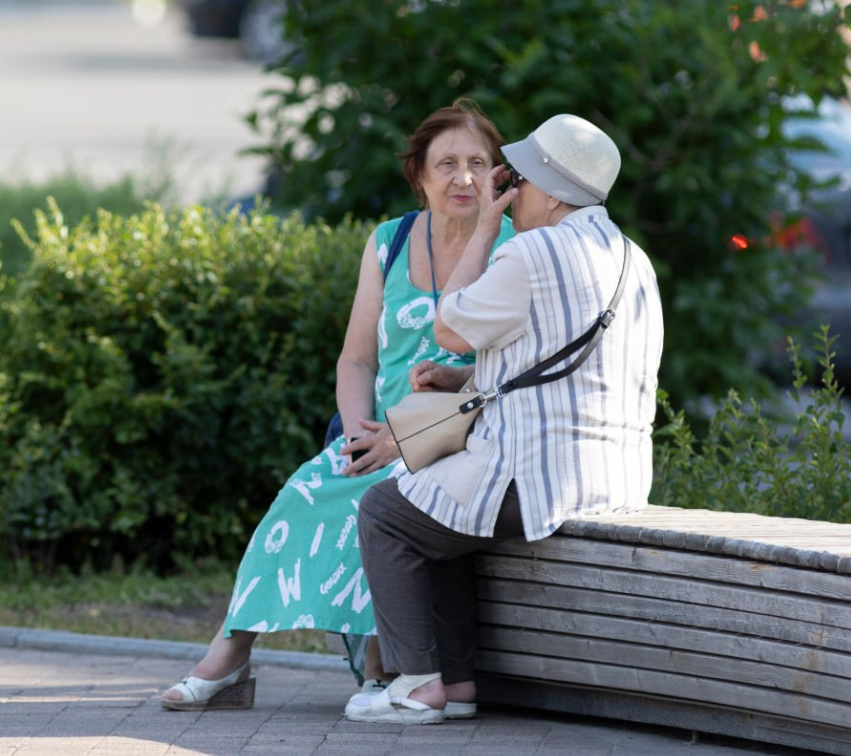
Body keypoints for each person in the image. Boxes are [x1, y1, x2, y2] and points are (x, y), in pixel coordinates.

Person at [159, 99, 517, 711]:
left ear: (497, 177)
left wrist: (401, 437)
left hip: (458, 436)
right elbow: (356, 360)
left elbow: (499, 374)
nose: (463, 178)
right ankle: (230, 655)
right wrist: (358, 432)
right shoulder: (390, 241)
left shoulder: (511, 246)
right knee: (306, 490)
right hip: (380, 434)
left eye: (477, 164)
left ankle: (383, 665)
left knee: (374, 502)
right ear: (420, 175)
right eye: (447, 163)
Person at [346, 114, 664, 724]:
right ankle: (459, 685)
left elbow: (447, 325)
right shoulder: (632, 259)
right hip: (617, 476)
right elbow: (561, 361)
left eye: (518, 178)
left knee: (388, 512)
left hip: (538, 475)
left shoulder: (531, 250)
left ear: (549, 189)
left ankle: (417, 685)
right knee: (442, 506)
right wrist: (466, 380)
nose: (509, 188)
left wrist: (486, 226)